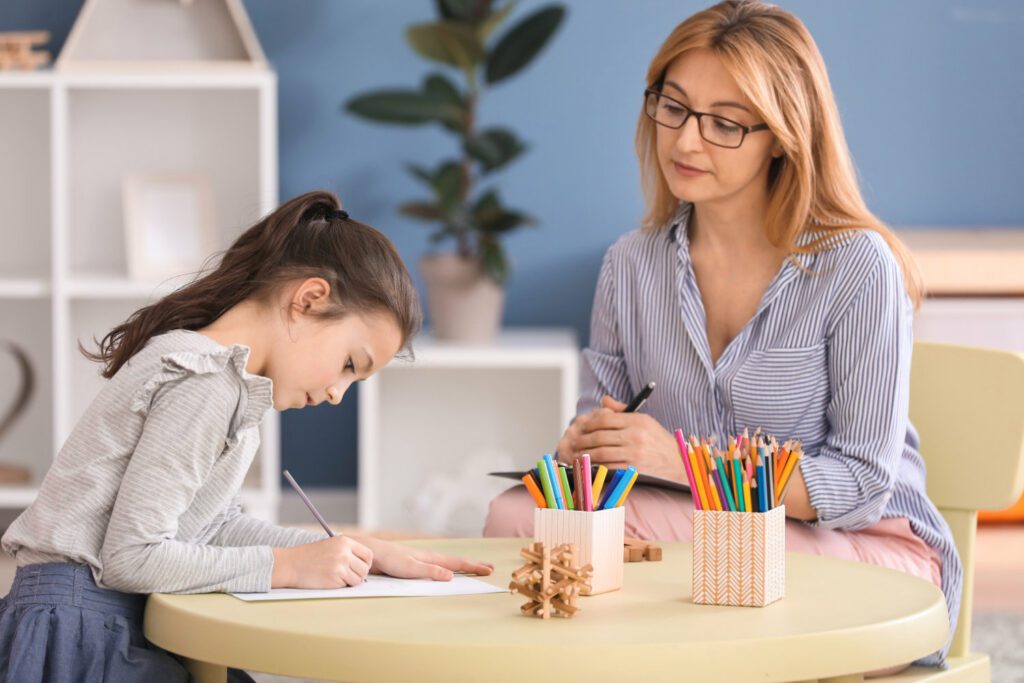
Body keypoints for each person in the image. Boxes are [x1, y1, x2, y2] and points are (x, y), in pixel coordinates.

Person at [484, 1, 960, 668]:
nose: (684, 141)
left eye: (725, 125)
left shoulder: (857, 267)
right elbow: (604, 438)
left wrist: (682, 462)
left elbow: (859, 486)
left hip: (863, 551)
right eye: (672, 107)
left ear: (784, 135)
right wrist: (589, 450)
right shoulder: (630, 264)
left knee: (590, 546)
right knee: (519, 514)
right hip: (704, 542)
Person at [0, 190, 493, 681]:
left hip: (97, 618)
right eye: (348, 364)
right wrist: (289, 567)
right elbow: (132, 558)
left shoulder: (224, 381)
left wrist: (360, 549)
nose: (339, 393)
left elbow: (210, 527)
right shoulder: (206, 382)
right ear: (309, 299)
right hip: (81, 631)